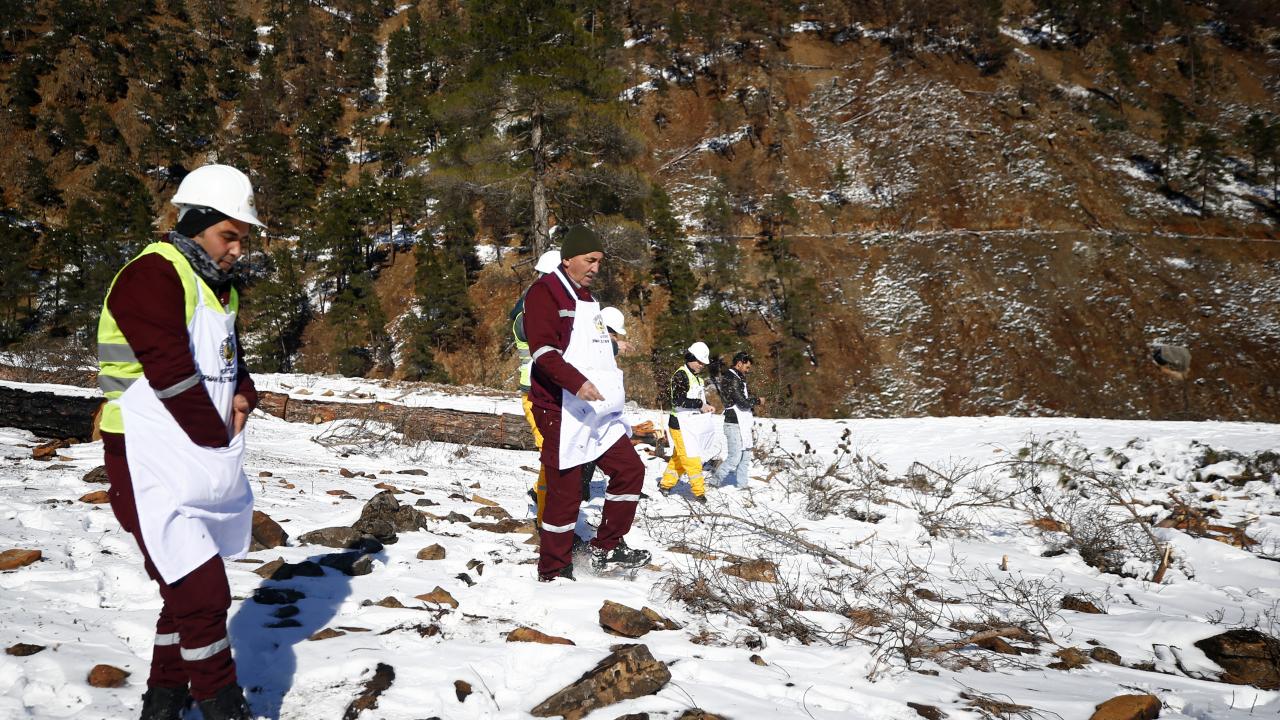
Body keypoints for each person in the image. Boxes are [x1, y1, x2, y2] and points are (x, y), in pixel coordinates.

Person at [97, 165, 264, 720]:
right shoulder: (152, 276)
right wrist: (215, 440)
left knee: (182, 586)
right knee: (200, 590)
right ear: (196, 225)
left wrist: (244, 396)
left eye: (243, 238)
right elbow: (169, 373)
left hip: (194, 449)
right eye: (229, 236)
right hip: (141, 452)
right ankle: (221, 705)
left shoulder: (218, 286)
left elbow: (230, 359)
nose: (238, 250)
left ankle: (164, 703)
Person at [523, 226, 652, 581]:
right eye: (590, 260)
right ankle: (554, 569)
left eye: (599, 262)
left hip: (597, 411)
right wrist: (577, 382)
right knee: (565, 493)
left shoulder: (587, 298)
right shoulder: (544, 293)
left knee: (630, 470)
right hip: (560, 408)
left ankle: (606, 547)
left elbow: (593, 348)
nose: (596, 268)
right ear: (568, 259)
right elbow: (543, 352)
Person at [511, 249, 561, 523]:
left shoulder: (538, 308)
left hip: (547, 391)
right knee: (550, 453)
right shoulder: (530, 314)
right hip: (534, 392)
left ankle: (544, 504)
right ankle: (545, 520)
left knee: (555, 453)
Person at [659, 341, 716, 502]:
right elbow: (678, 401)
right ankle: (699, 492)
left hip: (691, 424)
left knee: (679, 457)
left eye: (703, 363)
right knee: (692, 458)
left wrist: (706, 406)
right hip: (680, 424)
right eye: (699, 362)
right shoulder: (681, 375)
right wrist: (700, 405)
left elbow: (697, 399)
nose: (702, 365)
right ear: (691, 358)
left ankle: (665, 484)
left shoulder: (697, 378)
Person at [710, 351, 761, 488]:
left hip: (742, 423)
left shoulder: (738, 378)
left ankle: (742, 484)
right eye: (747, 367)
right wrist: (757, 401)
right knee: (735, 457)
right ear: (739, 364)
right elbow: (742, 402)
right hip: (733, 423)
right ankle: (714, 482)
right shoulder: (731, 378)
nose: (748, 370)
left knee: (746, 455)